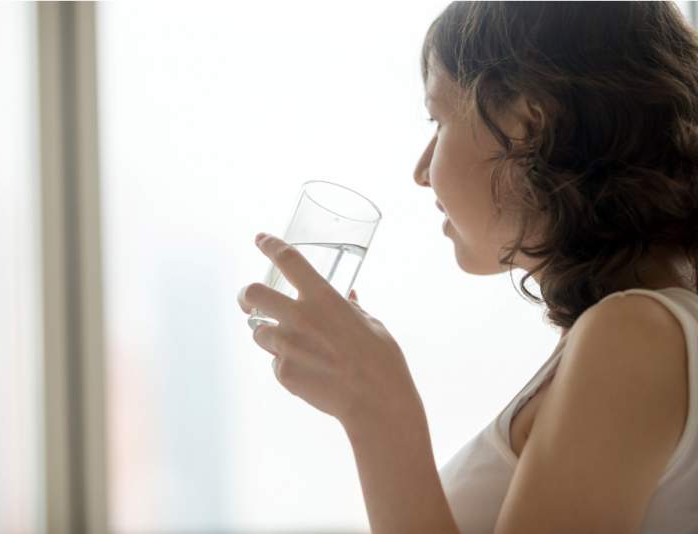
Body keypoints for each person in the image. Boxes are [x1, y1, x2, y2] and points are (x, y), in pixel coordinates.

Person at [238, 2, 698, 532]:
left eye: (439, 119)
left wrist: (379, 412)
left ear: (527, 124)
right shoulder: (646, 329)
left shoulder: (633, 335)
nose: (420, 171)